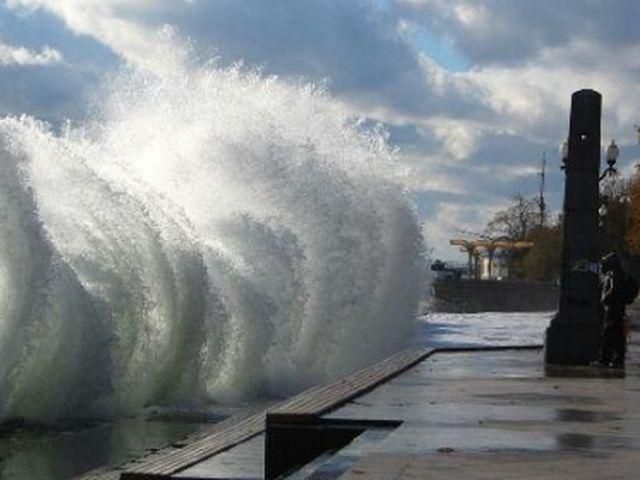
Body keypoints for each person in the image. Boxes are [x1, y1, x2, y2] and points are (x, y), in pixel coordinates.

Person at [599, 252, 636, 368]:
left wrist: (605, 298)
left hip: (614, 309)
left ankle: (607, 360)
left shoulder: (615, 274)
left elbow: (614, 290)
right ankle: (616, 360)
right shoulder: (619, 273)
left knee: (609, 334)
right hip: (618, 308)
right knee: (616, 335)